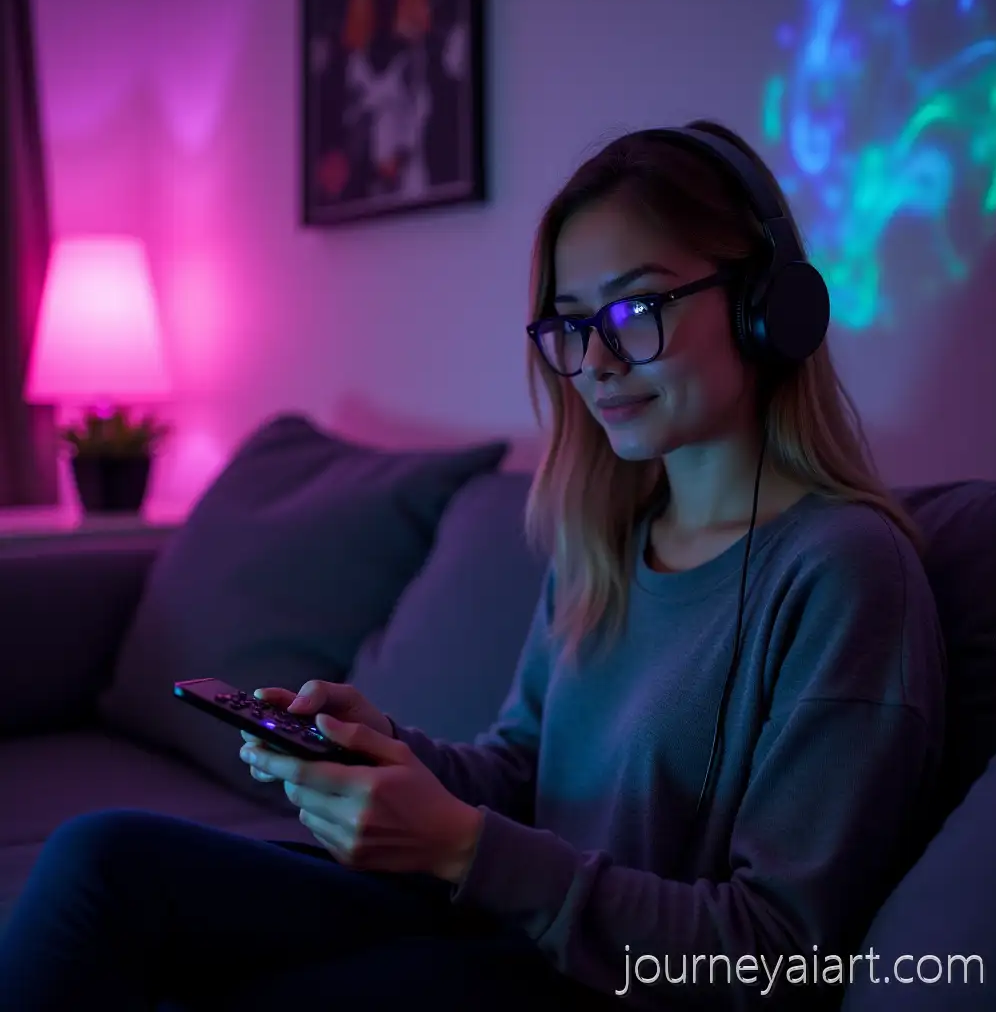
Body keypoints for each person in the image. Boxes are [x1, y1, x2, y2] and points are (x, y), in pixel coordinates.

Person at [0, 121, 945, 1011]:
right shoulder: (605, 542)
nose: (597, 362)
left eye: (636, 308)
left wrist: (464, 849)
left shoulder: (844, 574)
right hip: (501, 923)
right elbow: (525, 771)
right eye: (572, 325)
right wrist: (395, 752)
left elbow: (776, 953)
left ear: (764, 309)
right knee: (104, 860)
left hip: (602, 979)